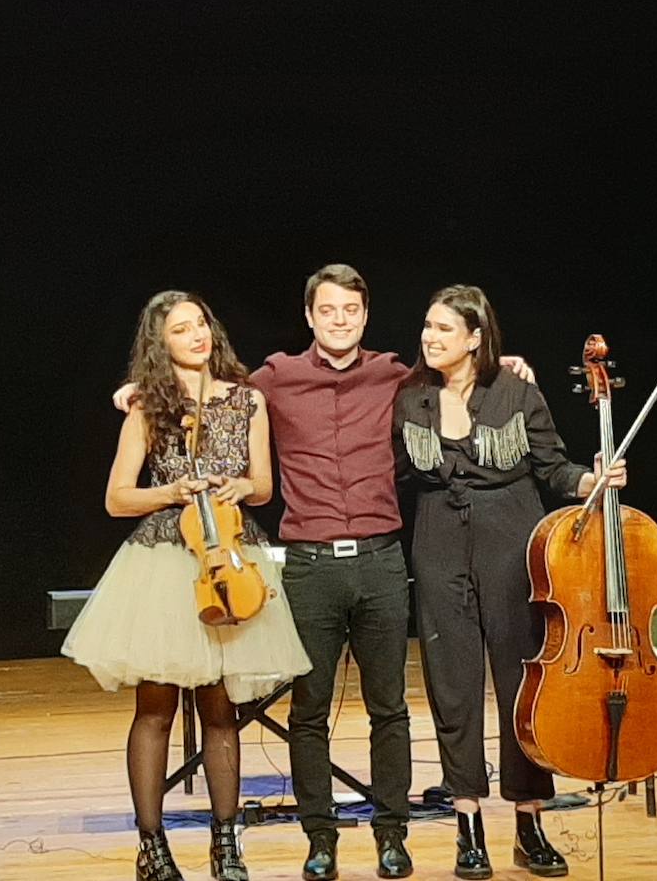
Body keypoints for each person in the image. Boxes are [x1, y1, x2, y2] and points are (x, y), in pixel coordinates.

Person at [115, 264, 533, 881]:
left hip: (382, 559)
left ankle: (393, 834)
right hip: (309, 564)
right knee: (307, 711)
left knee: (388, 707)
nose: (340, 321)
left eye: (352, 311)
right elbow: (212, 388)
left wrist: (509, 365)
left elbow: (463, 373)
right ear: (309, 316)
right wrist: (135, 390)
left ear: (366, 316)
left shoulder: (396, 376)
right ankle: (321, 838)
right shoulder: (274, 379)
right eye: (328, 310)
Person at [65, 290, 312, 881]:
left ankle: (227, 846)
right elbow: (118, 497)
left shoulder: (248, 399)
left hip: (228, 553)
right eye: (181, 329)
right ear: (161, 342)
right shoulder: (148, 406)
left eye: (201, 323)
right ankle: (152, 848)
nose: (197, 335)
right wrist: (172, 492)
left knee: (223, 709)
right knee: (155, 708)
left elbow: (264, 486)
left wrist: (237, 488)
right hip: (166, 561)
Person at [393, 284, 627, 879]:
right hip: (439, 547)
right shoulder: (409, 394)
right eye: (427, 325)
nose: (429, 337)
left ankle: (529, 823)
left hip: (509, 544)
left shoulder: (517, 390)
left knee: (522, 685)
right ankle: (468, 825)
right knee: (453, 688)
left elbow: (552, 466)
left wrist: (592, 481)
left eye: (444, 329)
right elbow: (393, 473)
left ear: (475, 338)